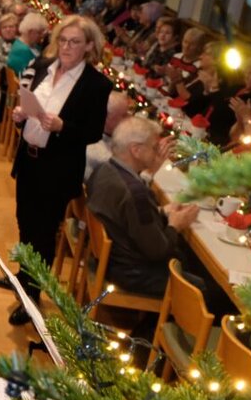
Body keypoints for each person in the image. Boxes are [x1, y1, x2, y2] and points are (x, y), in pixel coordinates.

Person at [6, 15, 112, 325]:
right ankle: (24, 275)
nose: (66, 47)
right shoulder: (43, 66)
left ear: (89, 46)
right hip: (29, 157)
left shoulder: (96, 84)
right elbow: (29, 104)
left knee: (43, 231)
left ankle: (32, 295)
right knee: (24, 220)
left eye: (75, 42)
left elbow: (93, 131)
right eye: (63, 40)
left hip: (57, 167)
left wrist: (63, 126)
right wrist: (19, 115)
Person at [86, 117, 202, 297]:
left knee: (188, 260)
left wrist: (161, 212)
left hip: (109, 259)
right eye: (154, 147)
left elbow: (125, 218)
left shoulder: (105, 169)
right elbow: (158, 251)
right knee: (202, 287)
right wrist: (175, 225)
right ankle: (152, 325)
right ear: (136, 150)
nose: (158, 153)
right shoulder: (135, 192)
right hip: (131, 273)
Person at [85, 91, 132, 180]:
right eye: (124, 115)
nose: (130, 118)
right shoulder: (102, 155)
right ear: (105, 117)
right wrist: (148, 173)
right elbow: (127, 185)